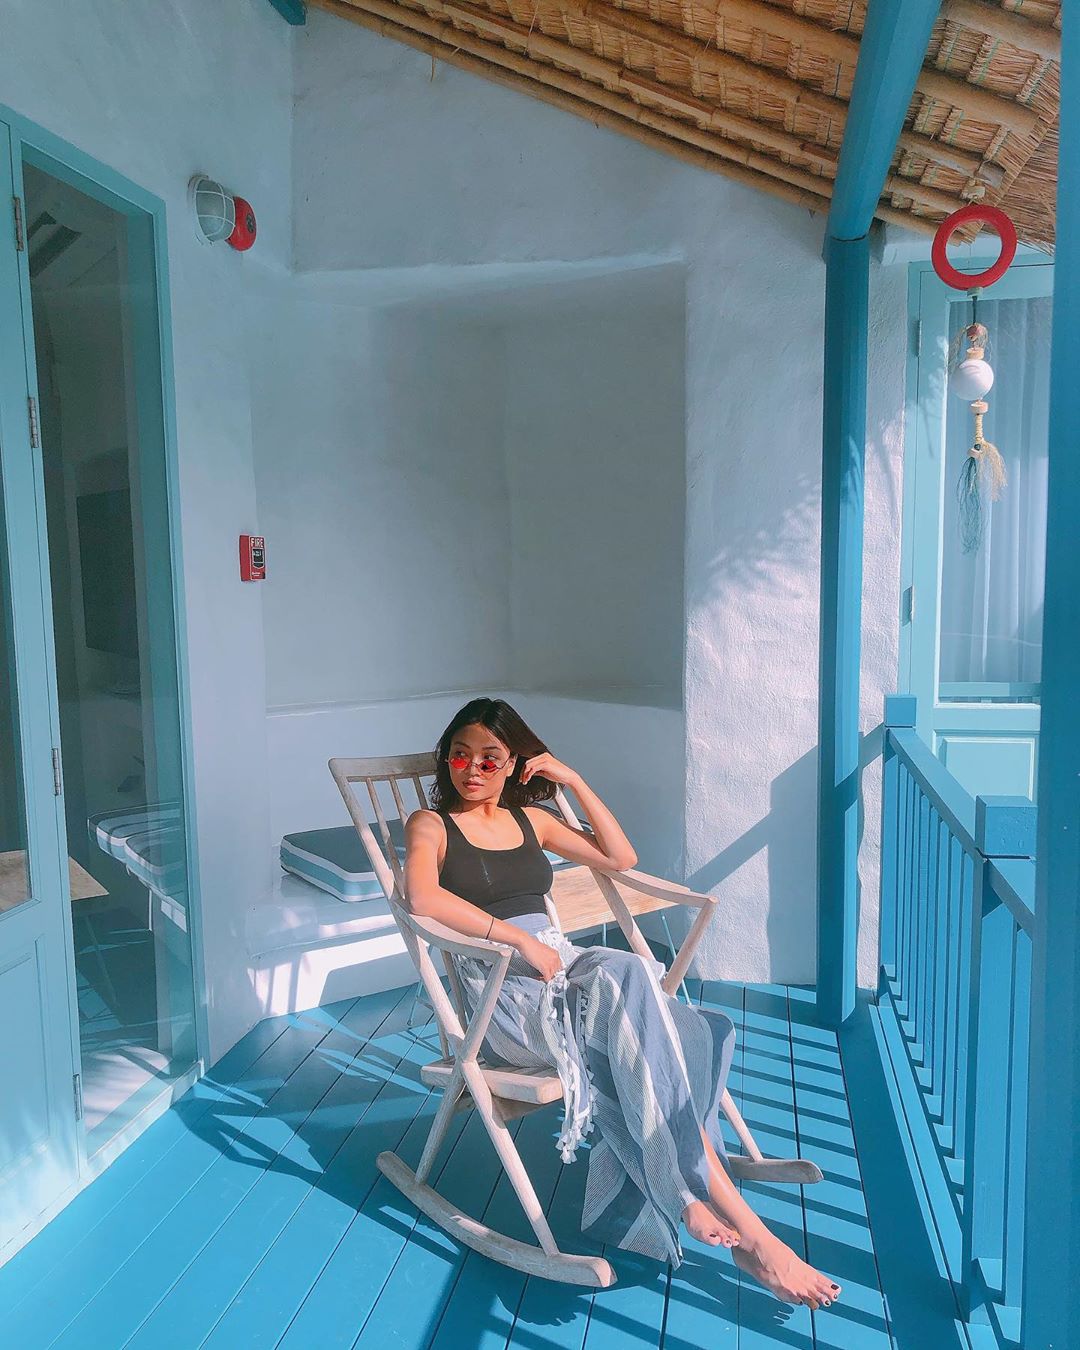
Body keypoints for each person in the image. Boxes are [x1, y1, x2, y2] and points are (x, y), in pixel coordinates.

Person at [404, 697, 841, 1310]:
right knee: (631, 981)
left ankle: (720, 1214)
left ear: (515, 764)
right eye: (460, 755)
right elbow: (422, 898)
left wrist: (573, 780)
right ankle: (735, 1224)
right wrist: (518, 939)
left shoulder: (532, 821)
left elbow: (620, 858)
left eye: (490, 758)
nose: (472, 769)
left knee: (698, 1026)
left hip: (565, 976)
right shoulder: (430, 824)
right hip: (503, 994)